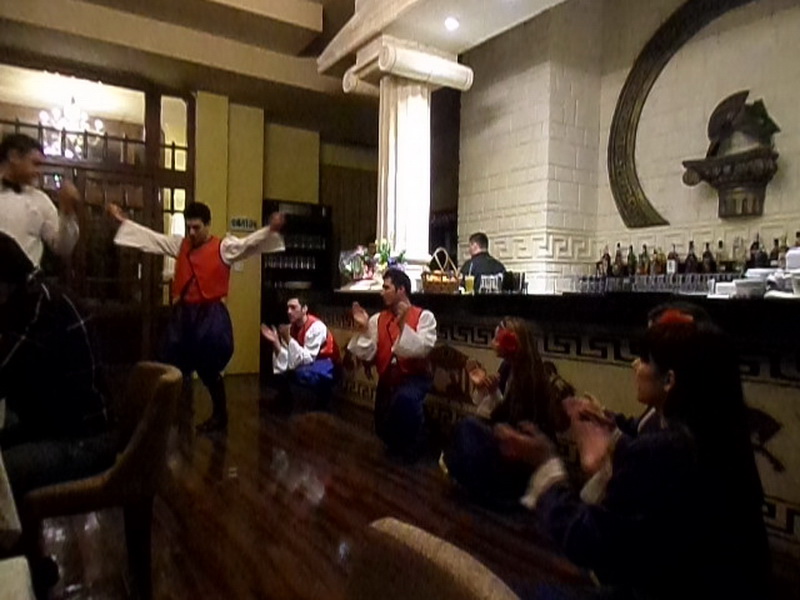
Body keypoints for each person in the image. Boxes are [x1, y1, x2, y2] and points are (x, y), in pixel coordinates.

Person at [496, 309, 771, 600]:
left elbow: (586, 542)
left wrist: (546, 464)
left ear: (669, 380)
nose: (635, 365)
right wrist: (612, 433)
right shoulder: (724, 440)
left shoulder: (665, 451)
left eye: (644, 359)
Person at [107, 201, 285, 432]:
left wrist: (270, 230)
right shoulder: (180, 245)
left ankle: (220, 416)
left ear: (208, 225)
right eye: (189, 227)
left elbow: (248, 244)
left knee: (209, 368)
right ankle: (169, 415)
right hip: (184, 315)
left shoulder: (223, 248)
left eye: (196, 227)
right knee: (172, 364)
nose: (191, 232)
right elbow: (152, 239)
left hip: (210, 316)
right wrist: (123, 221)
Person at [0, 232, 115, 500]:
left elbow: (4, 371)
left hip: (83, 439)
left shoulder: (37, 309)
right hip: (59, 426)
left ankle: (17, 528)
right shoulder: (34, 297)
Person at [442, 317, 567, 503]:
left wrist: (493, 424)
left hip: (522, 457)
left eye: (499, 335)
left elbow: (515, 425)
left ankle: (490, 490)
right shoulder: (508, 367)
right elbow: (495, 413)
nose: (494, 340)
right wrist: (489, 390)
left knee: (467, 428)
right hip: (508, 440)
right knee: (465, 428)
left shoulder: (530, 378)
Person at [348, 268, 437, 458]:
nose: (382, 292)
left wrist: (403, 325)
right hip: (388, 379)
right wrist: (363, 328)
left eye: (386, 287)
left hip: (415, 377)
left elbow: (422, 349)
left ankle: (419, 444)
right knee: (382, 430)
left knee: (405, 400)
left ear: (401, 289)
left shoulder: (424, 317)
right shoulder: (378, 319)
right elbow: (368, 353)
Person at [0, 133, 80, 267]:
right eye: (35, 164)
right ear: (14, 157)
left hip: (24, 279)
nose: (39, 171)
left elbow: (63, 248)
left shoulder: (41, 200)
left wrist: (67, 212)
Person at [261, 297, 341, 411]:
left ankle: (322, 401)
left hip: (328, 365)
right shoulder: (291, 328)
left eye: (293, 307)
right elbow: (286, 359)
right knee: (281, 370)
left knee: (299, 373)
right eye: (288, 308)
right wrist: (276, 343)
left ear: (304, 309)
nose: (289, 311)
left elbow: (307, 358)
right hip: (309, 363)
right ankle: (285, 401)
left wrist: (289, 339)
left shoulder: (316, 327)